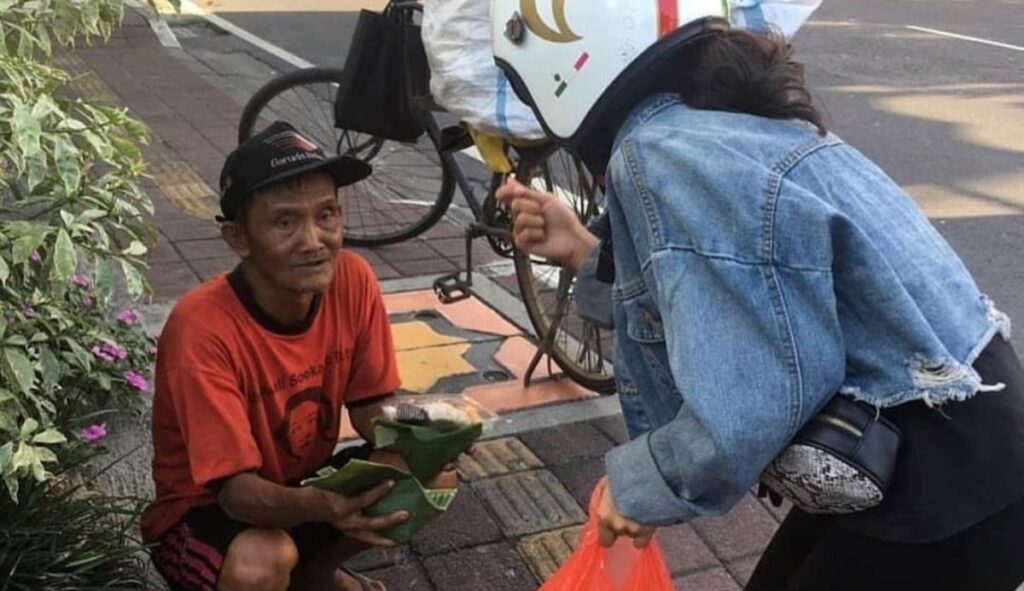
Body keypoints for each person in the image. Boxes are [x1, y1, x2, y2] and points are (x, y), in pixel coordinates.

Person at [492, 1, 1024, 589]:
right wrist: (584, 251)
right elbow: (740, 290)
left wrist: (643, 484)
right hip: (952, 446)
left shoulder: (661, 151)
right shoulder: (718, 124)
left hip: (940, 491)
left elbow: (754, 394)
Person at [141, 122, 457, 591]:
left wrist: (430, 433)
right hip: (203, 510)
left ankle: (315, 576)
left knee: (433, 474)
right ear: (237, 238)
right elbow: (236, 496)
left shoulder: (353, 280)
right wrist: (326, 507)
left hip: (299, 483)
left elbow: (370, 407)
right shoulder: (201, 329)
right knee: (263, 562)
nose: (315, 241)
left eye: (326, 214)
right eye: (285, 222)